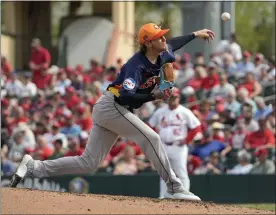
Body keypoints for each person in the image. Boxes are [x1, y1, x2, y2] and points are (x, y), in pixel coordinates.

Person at [10, 23, 215, 201]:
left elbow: (175, 43)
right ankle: (174, 187)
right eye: (158, 37)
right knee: (151, 138)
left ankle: (33, 167)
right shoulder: (135, 66)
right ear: (148, 43)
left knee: (88, 163)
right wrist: (156, 96)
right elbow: (125, 96)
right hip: (112, 106)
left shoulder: (162, 53)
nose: (164, 39)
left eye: (162, 35)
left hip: (110, 109)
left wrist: (196, 34)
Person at [148, 88, 202, 198]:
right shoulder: (160, 111)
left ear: (179, 98)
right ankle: (163, 196)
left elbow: (196, 127)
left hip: (178, 146)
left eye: (175, 97)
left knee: (181, 172)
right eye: (171, 97)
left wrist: (187, 140)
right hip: (163, 145)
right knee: (164, 173)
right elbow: (149, 125)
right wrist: (155, 138)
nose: (172, 100)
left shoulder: (185, 111)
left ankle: (185, 195)